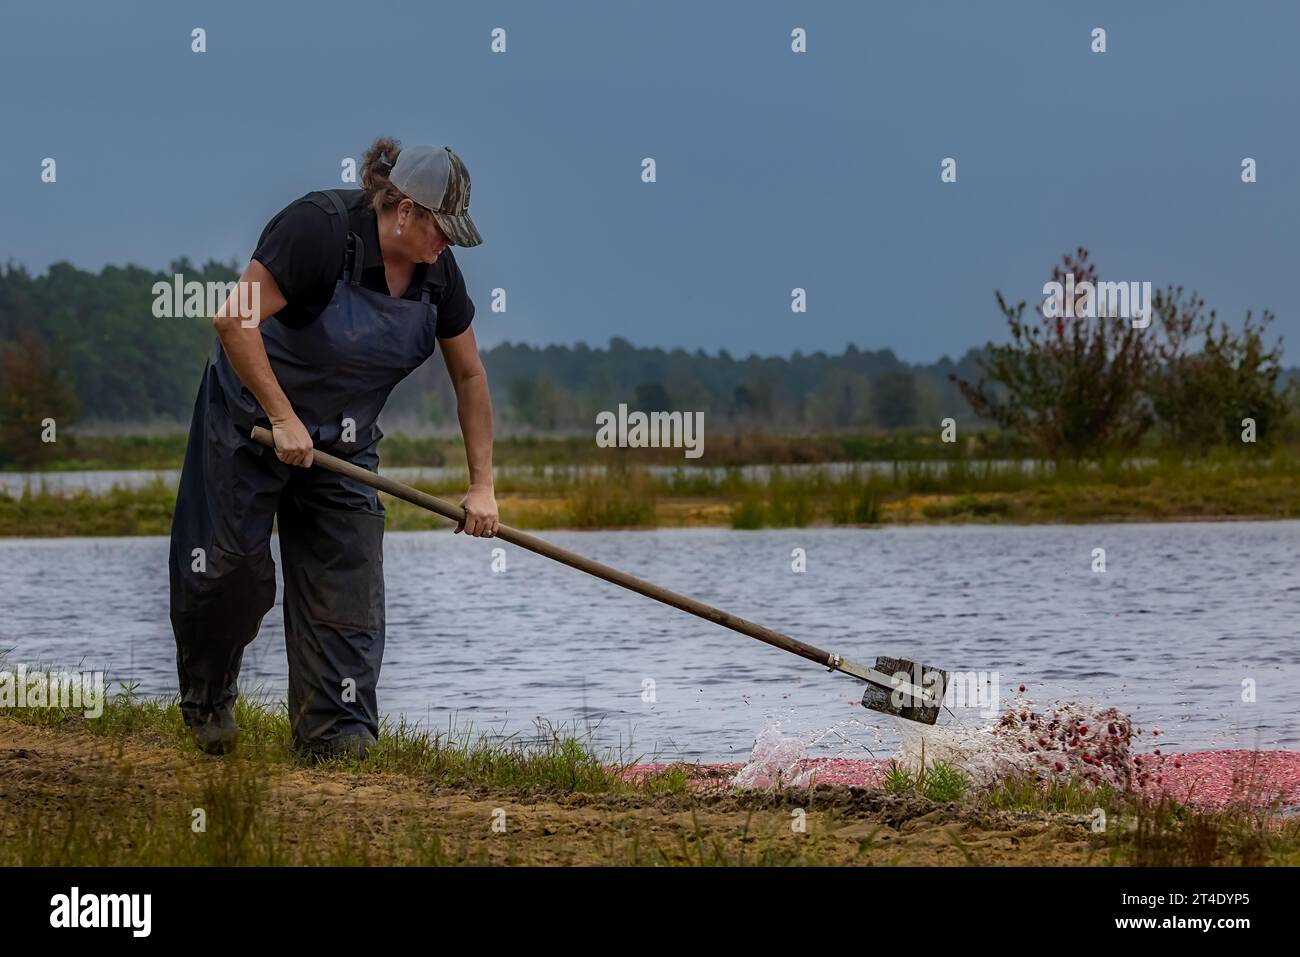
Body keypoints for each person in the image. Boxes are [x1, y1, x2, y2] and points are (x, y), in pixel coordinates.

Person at [168, 137, 498, 759]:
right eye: (440, 229)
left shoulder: (439, 278)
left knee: (347, 583)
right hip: (250, 422)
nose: (446, 245)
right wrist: (282, 416)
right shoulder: (316, 230)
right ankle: (208, 695)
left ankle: (335, 736)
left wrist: (482, 485)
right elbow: (234, 320)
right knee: (228, 570)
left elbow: (471, 377)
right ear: (404, 210)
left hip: (344, 443)